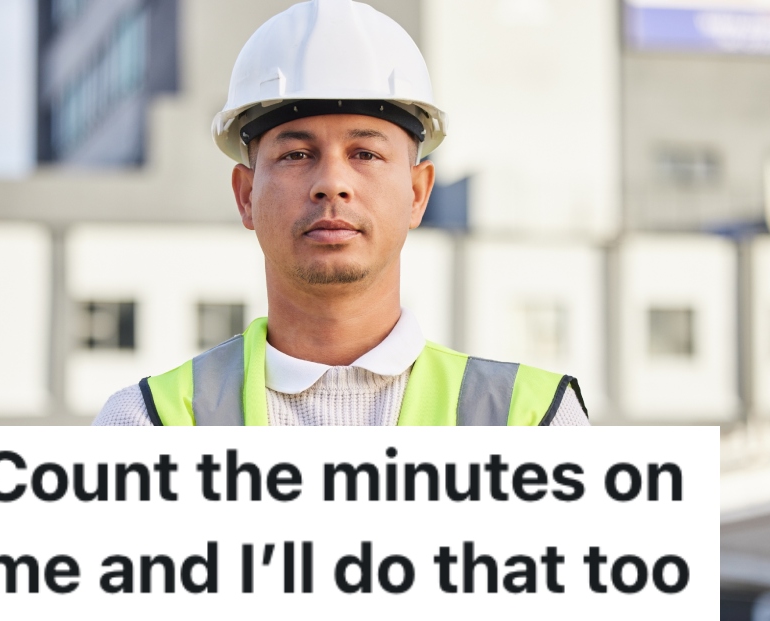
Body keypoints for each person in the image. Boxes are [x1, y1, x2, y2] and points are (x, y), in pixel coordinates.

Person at [94, 0, 588, 427]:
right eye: (296, 154)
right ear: (245, 195)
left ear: (418, 193)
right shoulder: (149, 424)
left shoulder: (534, 422)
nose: (332, 183)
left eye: (365, 154)